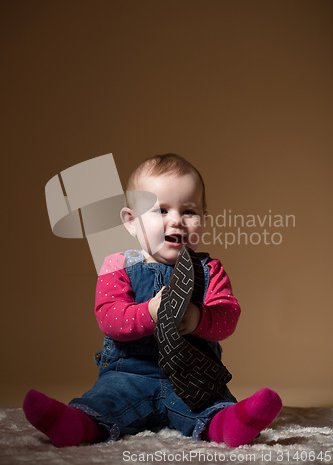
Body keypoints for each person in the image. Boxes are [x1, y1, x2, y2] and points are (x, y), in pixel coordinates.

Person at [23, 153, 282, 447]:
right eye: (161, 210)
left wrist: (198, 317)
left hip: (191, 377)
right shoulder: (118, 265)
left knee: (212, 403)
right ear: (131, 221)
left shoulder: (209, 271)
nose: (176, 221)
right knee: (104, 402)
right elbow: (109, 318)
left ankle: (229, 425)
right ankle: (78, 426)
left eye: (189, 211)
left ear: (203, 220)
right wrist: (150, 312)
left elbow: (228, 317)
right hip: (129, 374)